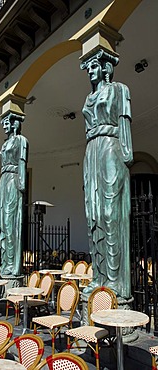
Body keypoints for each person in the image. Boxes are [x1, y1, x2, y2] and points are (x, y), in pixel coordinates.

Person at [81, 49, 133, 299]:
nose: (90, 71)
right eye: (88, 67)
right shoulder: (87, 99)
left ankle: (115, 280)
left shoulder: (119, 89)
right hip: (91, 150)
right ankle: (99, 277)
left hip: (111, 146)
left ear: (105, 67)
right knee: (94, 213)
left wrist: (126, 153)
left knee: (111, 212)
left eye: (93, 66)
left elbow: (124, 122)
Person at [0, 112, 29, 276]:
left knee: (10, 223)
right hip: (4, 180)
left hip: (12, 180)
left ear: (15, 123)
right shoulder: (5, 143)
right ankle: (6, 262)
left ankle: (13, 264)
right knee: (3, 223)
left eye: (7, 122)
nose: (4, 126)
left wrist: (21, 185)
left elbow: (22, 162)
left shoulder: (20, 141)